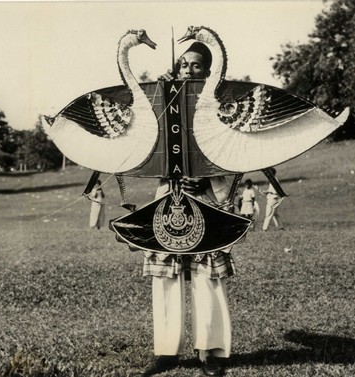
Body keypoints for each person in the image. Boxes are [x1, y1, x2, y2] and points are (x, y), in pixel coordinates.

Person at [142, 42, 233, 377]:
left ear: (207, 72)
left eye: (196, 65)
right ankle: (166, 351)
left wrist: (207, 182)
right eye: (183, 65)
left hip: (205, 200)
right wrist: (158, 93)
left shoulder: (217, 108)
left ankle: (213, 352)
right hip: (168, 197)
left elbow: (231, 152)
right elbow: (149, 141)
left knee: (207, 274)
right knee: (166, 275)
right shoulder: (164, 101)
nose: (189, 69)